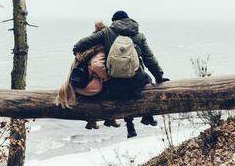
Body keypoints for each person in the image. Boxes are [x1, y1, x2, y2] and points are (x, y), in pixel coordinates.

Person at [72, 10, 169, 138]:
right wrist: (159, 76)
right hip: (135, 79)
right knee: (147, 81)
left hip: (114, 80)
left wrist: (76, 50)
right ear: (128, 20)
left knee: (122, 94)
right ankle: (147, 117)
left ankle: (130, 126)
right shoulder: (138, 35)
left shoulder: (106, 32)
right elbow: (149, 59)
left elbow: (81, 43)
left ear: (114, 22)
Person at [56, 21, 121, 129]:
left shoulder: (85, 51)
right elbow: (97, 66)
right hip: (88, 87)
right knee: (109, 90)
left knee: (98, 89)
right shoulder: (100, 50)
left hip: (74, 86)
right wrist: (107, 78)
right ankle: (110, 118)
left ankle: (92, 121)